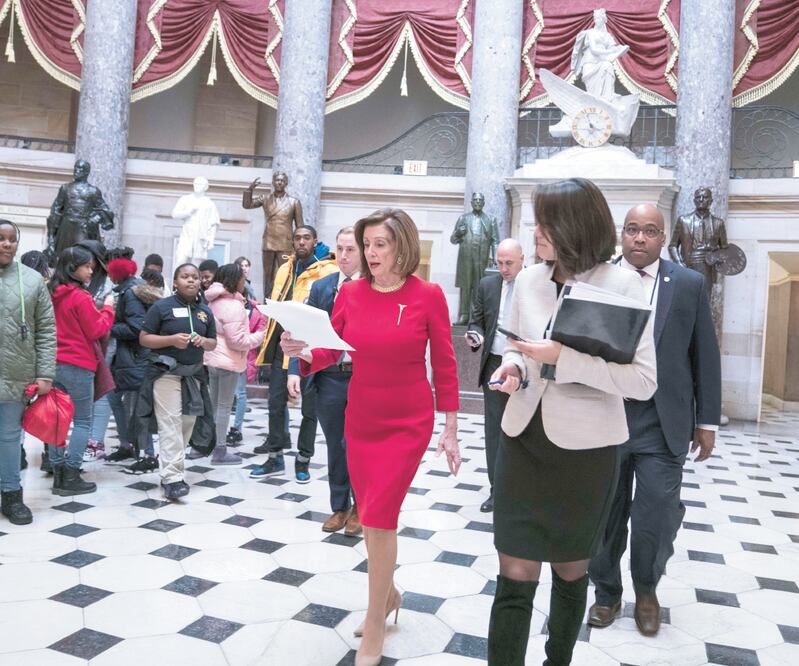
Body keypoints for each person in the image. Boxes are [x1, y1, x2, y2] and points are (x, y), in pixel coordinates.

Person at [486, 178, 657, 666]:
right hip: (523, 439)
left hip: (586, 452)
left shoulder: (624, 285)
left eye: (546, 222)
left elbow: (643, 381)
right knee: (514, 570)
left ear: (575, 226)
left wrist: (564, 359)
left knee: (569, 571)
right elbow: (519, 348)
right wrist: (513, 368)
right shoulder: (529, 280)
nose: (536, 231)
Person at [281, 208, 460, 666]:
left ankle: (375, 621)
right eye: (367, 245)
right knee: (372, 517)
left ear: (403, 246)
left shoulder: (427, 295)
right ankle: (389, 593)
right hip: (361, 418)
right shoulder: (352, 293)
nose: (371, 253)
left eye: (381, 244)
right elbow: (332, 349)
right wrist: (303, 351)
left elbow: (444, 363)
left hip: (407, 422)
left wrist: (451, 427)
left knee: (380, 516)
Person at [588, 204, 721, 636]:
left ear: (663, 238)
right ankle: (606, 593)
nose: (639, 238)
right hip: (607, 416)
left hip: (662, 422)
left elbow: (704, 354)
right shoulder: (597, 279)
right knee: (604, 516)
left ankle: (647, 590)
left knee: (657, 515)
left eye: (649, 230)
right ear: (621, 235)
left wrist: (707, 421)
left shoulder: (688, 284)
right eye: (632, 229)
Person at [288, 226, 363, 536]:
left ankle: (361, 506)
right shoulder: (322, 287)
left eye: (350, 249)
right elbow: (301, 331)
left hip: (361, 378)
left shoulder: (373, 288)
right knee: (335, 444)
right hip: (329, 376)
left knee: (356, 445)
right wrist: (294, 369)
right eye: (339, 249)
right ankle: (339, 506)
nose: (343, 256)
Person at [250, 226, 338, 483]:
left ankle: (303, 459)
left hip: (308, 348)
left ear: (315, 241)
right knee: (275, 403)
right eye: (297, 238)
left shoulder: (327, 271)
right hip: (282, 345)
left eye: (306, 238)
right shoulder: (284, 268)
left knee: (309, 408)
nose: (301, 242)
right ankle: (275, 456)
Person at [138, 264, 217, 500]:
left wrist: (203, 341)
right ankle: (172, 478)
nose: (191, 280)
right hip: (166, 373)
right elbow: (144, 338)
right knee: (170, 422)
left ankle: (172, 467)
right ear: (175, 282)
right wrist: (171, 340)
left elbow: (213, 342)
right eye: (185, 277)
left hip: (193, 374)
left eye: (195, 277)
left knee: (187, 422)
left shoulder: (205, 312)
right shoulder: (161, 307)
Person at [0, 219, 56, 524]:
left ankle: (11, 495)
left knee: (9, 437)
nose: (7, 244)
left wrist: (45, 374)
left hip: (15, 373)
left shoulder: (32, 280)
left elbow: (46, 330)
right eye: (1, 238)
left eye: (12, 239)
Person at [49, 245, 116, 496]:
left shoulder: (51, 293)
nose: (90, 271)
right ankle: (71, 475)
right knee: (82, 421)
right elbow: (97, 329)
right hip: (78, 364)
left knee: (57, 421)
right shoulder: (80, 296)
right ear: (72, 268)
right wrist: (108, 309)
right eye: (87, 266)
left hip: (53, 363)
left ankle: (57, 473)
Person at [465, 238, 525, 513]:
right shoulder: (488, 285)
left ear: (522, 259)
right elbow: (476, 321)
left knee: (525, 431)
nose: (503, 268)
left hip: (528, 366)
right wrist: (475, 335)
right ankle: (496, 491)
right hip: (494, 364)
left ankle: (522, 490)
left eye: (509, 263)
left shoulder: (536, 285)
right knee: (494, 431)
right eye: (499, 263)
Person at [203, 263, 266, 465]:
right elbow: (237, 341)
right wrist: (261, 336)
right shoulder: (233, 306)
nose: (244, 282)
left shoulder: (213, 301)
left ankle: (209, 444)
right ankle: (220, 450)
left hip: (213, 358)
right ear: (234, 280)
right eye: (242, 279)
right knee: (224, 406)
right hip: (228, 361)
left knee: (214, 404)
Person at [105, 256, 160, 475]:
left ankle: (148, 456)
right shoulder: (133, 289)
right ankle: (128, 445)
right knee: (120, 401)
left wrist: (110, 326)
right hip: (132, 358)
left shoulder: (130, 293)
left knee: (138, 408)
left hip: (136, 358)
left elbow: (137, 328)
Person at [242, 171, 304, 298]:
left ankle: (285, 299)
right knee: (268, 275)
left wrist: (298, 246)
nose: (279, 182)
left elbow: (300, 227)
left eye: (282, 180)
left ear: (286, 183)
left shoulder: (294, 202)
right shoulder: (265, 199)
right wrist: (250, 190)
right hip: (269, 242)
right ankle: (267, 300)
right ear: (273, 182)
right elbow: (247, 205)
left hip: (286, 243)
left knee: (286, 273)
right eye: (277, 180)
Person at [228, 256, 265, 446]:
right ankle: (218, 429)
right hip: (226, 355)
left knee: (240, 393)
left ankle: (237, 429)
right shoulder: (225, 303)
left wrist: (248, 341)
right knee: (223, 395)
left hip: (244, 354)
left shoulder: (254, 308)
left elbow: (260, 330)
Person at [450, 192, 500, 325]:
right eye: (475, 200)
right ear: (471, 202)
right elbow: (453, 240)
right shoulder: (463, 218)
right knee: (465, 286)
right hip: (465, 259)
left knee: (480, 287)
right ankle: (464, 315)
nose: (477, 202)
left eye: (480, 200)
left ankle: (477, 317)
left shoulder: (490, 220)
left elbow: (495, 241)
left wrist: (495, 258)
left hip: (482, 259)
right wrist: (458, 233)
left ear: (483, 203)